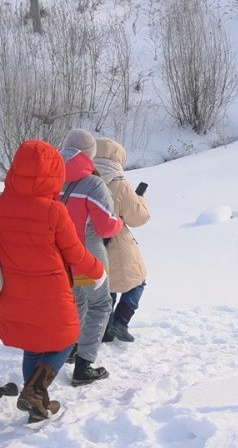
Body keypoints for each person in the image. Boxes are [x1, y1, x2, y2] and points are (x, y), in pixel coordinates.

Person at [0, 140, 106, 423]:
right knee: (66, 338)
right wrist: (98, 271)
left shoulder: (1, 205)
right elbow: (74, 253)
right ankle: (35, 390)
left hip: (16, 289)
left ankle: (37, 402)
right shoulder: (53, 210)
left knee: (33, 344)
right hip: (52, 289)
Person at [58, 129, 124, 386]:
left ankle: (71, 349)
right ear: (89, 155)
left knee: (77, 303)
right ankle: (84, 365)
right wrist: (118, 221)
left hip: (61, 259)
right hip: (88, 258)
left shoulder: (53, 178)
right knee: (100, 305)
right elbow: (106, 226)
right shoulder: (93, 184)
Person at [94, 138, 151, 342]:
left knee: (105, 286)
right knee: (138, 282)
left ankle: (106, 328)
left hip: (90, 243)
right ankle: (120, 322)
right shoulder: (119, 182)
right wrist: (141, 198)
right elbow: (138, 218)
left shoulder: (85, 179)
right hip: (117, 243)